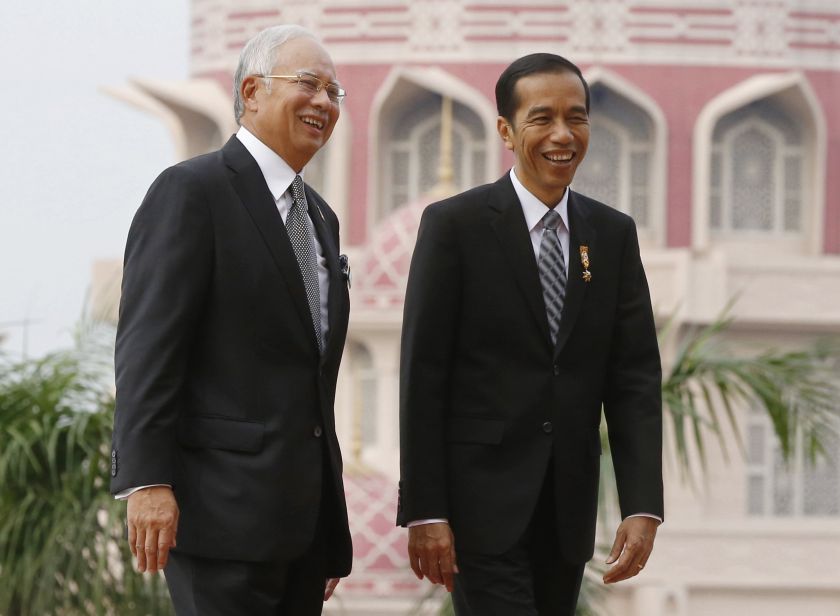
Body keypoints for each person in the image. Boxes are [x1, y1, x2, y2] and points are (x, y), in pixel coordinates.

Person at [397, 52, 663, 615]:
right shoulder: (455, 226)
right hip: (478, 509)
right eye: (542, 118)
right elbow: (423, 374)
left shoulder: (612, 234)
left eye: (576, 117)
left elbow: (634, 378)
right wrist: (425, 508)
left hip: (566, 510)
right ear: (506, 130)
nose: (562, 135)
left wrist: (642, 505)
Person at [110, 25, 352, 615]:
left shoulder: (320, 218)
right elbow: (149, 348)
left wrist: (326, 524)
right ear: (251, 91)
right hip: (217, 514)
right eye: (307, 84)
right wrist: (147, 481)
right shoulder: (193, 191)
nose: (323, 102)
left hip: (301, 527)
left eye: (333, 91)